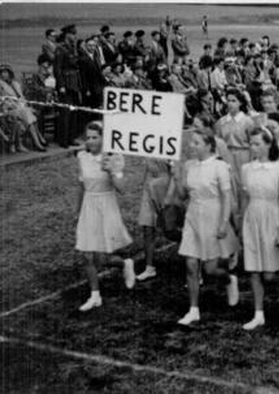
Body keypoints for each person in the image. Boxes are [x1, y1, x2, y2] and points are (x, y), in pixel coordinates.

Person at [173, 128, 240, 326]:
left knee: (211, 269)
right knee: (191, 264)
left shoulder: (220, 166)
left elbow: (227, 197)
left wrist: (224, 222)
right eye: (191, 143)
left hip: (214, 215)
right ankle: (193, 310)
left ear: (209, 145)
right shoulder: (189, 166)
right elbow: (183, 195)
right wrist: (176, 177)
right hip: (193, 216)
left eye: (196, 143)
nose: (191, 146)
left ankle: (228, 279)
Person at [75, 121, 136, 312]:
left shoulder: (113, 157)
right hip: (89, 205)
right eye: (89, 137)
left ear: (104, 138)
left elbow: (122, 189)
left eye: (95, 137)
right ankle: (95, 296)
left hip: (106, 205)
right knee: (87, 255)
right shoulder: (82, 156)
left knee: (102, 258)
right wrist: (77, 213)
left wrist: (112, 171)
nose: (91, 141)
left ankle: (126, 263)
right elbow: (81, 186)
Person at [240, 127, 279, 330]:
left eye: (257, 143)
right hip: (252, 218)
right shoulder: (246, 169)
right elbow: (245, 198)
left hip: (273, 219)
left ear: (268, 144)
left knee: (270, 274)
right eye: (251, 143)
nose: (253, 147)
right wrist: (242, 224)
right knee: (254, 270)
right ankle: (258, 313)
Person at [134, 158, 171, 281]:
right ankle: (149, 268)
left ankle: (195, 261)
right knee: (147, 227)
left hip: (164, 184)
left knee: (170, 229)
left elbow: (174, 168)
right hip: (149, 184)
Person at [0, 63, 47, 152]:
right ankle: (38, 140)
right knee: (27, 113)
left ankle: (38, 142)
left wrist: (24, 105)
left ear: (10, 73)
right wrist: (15, 105)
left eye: (6, 72)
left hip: (20, 108)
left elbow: (22, 98)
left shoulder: (15, 84)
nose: (3, 74)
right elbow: (2, 101)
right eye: (2, 73)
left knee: (28, 113)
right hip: (9, 109)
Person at [53, 24, 82, 148]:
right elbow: (57, 69)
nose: (75, 36)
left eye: (75, 34)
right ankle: (63, 140)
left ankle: (71, 137)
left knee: (74, 112)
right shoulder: (61, 49)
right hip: (66, 84)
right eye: (73, 34)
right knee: (65, 113)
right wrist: (61, 85)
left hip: (74, 84)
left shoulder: (72, 48)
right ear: (67, 35)